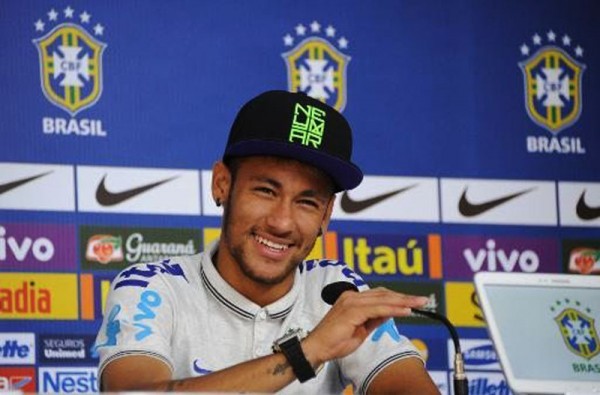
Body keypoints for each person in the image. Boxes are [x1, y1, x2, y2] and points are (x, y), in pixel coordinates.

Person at [94, 90, 440, 394]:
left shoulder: (335, 290)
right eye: (265, 190)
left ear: (326, 215)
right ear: (222, 184)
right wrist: (308, 351)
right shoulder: (155, 287)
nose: (282, 222)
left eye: (307, 201)